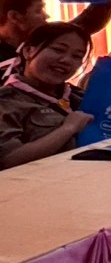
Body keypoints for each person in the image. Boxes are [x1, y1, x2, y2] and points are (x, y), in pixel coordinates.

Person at [0, 22, 94, 169]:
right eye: (58, 50)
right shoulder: (6, 102)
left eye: (77, 56)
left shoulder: (81, 97)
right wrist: (67, 129)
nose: (66, 60)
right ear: (28, 51)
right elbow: (8, 160)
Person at [0, 0, 111, 65]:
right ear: (15, 17)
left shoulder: (41, 40)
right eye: (38, 10)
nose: (46, 16)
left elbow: (89, 21)